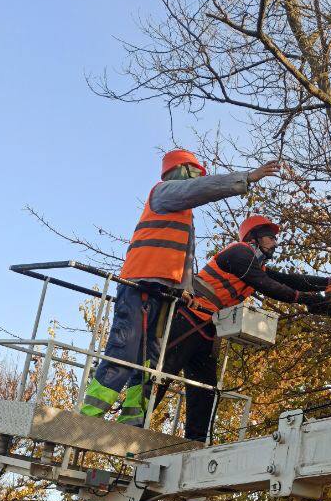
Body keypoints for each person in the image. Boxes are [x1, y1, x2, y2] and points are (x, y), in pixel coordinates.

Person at [79, 150, 281, 424]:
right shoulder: (163, 194)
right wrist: (247, 177)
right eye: (196, 173)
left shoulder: (184, 217)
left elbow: (182, 258)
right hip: (139, 287)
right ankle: (88, 417)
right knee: (123, 352)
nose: (200, 178)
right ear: (182, 171)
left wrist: (186, 291)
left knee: (151, 363)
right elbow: (198, 189)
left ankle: (132, 423)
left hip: (167, 295)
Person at [154, 214, 331, 444]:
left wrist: (330, 283)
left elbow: (290, 280)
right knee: (161, 373)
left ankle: (195, 442)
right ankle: (136, 420)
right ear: (254, 237)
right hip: (187, 318)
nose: (275, 242)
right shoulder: (239, 253)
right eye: (270, 237)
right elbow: (267, 285)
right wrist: (309, 299)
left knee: (205, 388)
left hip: (207, 328)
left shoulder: (255, 264)